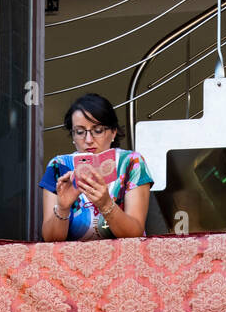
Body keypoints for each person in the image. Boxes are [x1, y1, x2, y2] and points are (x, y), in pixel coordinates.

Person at [40, 93, 153, 241]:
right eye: (80, 132)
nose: (88, 140)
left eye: (98, 130)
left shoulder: (132, 163)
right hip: (72, 260)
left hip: (123, 259)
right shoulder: (58, 166)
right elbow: (50, 240)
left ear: (113, 132)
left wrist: (106, 204)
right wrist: (63, 208)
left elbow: (135, 232)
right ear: (73, 136)